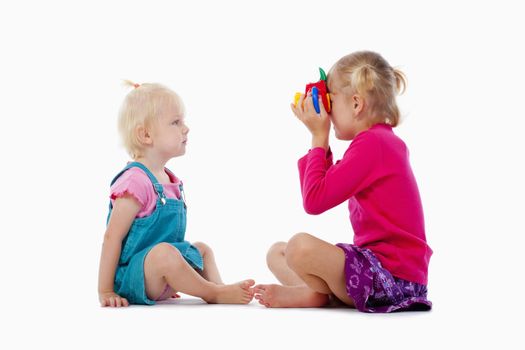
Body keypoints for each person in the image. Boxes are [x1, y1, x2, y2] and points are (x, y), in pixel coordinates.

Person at [254, 51, 432, 313]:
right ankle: (317, 295)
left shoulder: (374, 144)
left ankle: (316, 295)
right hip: (383, 273)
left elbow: (314, 201)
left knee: (299, 247)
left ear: (357, 104)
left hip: (392, 279)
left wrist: (318, 136)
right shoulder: (377, 143)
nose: (327, 111)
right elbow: (321, 188)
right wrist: (320, 138)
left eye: (330, 101)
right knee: (277, 253)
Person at [98, 81, 255, 307]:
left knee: (202, 250)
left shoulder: (169, 179)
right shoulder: (135, 180)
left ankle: (221, 289)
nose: (186, 128)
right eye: (175, 122)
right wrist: (105, 290)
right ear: (145, 135)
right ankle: (214, 293)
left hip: (161, 272)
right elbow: (111, 237)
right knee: (164, 254)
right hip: (133, 278)